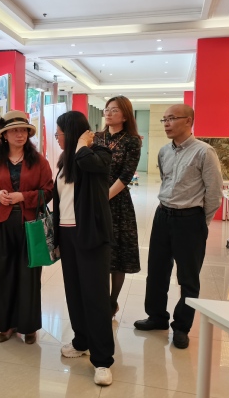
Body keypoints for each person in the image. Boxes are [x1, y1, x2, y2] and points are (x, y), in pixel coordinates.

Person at [134, 104, 223, 350]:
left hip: (190, 219)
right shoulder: (164, 151)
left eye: (172, 118)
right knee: (156, 271)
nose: (166, 123)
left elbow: (214, 193)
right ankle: (157, 317)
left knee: (188, 278)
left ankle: (182, 326)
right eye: (164, 119)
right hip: (162, 215)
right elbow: (166, 180)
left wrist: (199, 222)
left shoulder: (204, 152)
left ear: (189, 121)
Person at [53, 111, 115, 386]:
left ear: (71, 133)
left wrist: (81, 145)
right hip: (67, 236)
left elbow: (92, 166)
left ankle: (102, 360)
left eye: (59, 133)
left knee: (96, 297)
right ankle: (82, 340)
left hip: (90, 235)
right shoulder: (64, 161)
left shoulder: (98, 153)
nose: (57, 138)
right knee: (75, 292)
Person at [0, 110, 53, 345]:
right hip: (4, 223)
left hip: (30, 224)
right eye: (14, 131)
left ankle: (28, 326)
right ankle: (6, 324)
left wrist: (24, 196)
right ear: (5, 135)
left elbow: (49, 191)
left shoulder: (39, 161)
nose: (20, 134)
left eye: (23, 130)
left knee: (29, 275)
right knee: (4, 274)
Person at [94, 96, 142, 318]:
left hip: (118, 202)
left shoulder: (132, 140)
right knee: (99, 253)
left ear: (125, 115)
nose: (108, 113)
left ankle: (112, 302)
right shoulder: (96, 137)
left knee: (118, 253)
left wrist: (105, 197)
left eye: (114, 110)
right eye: (107, 109)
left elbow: (126, 175)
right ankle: (100, 299)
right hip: (95, 199)